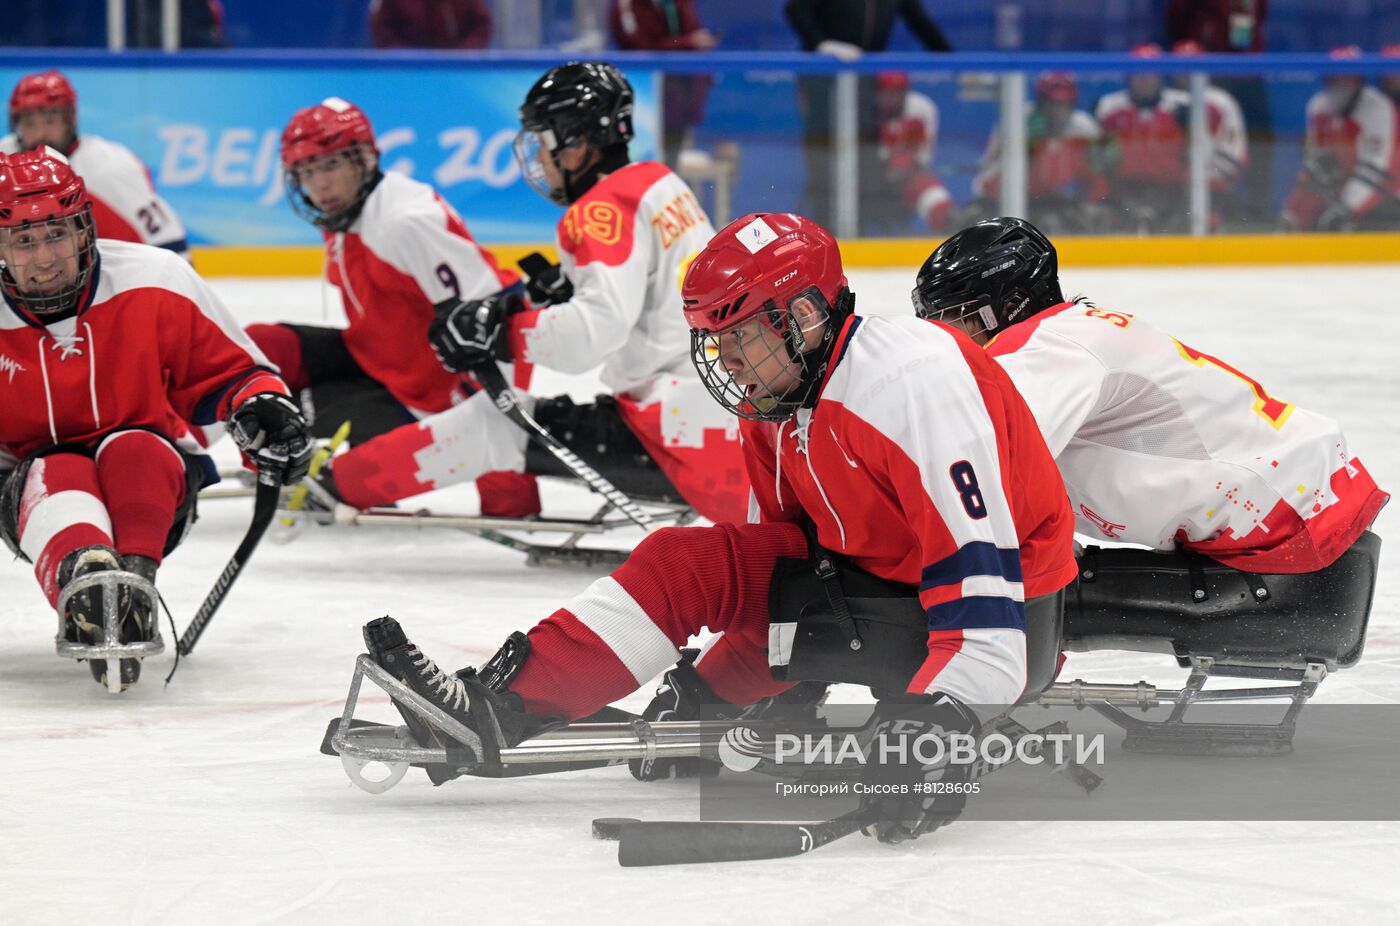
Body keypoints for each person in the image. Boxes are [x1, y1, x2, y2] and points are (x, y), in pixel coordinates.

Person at [355, 211, 1078, 845]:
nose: (723, 360)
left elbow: (992, 616)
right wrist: (717, 694)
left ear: (801, 319)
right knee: (681, 557)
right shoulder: (775, 400)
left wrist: (940, 727)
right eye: (712, 338)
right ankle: (488, 707)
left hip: (1001, 624)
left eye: (738, 335)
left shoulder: (911, 384)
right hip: (886, 595)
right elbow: (780, 587)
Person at [300, 63, 747, 526]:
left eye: (541, 140)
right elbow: (649, 289)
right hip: (723, 421)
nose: (538, 157)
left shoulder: (597, 211)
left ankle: (336, 487)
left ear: (573, 142)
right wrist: (559, 291)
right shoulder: (659, 182)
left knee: (491, 426)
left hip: (676, 438)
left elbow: (592, 335)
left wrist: (501, 333)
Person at [913, 216, 1387, 576]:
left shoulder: (1044, 346)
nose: (949, 336)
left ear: (1008, 306)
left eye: (958, 318)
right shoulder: (1075, 330)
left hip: (1285, 526)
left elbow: (988, 471)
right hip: (1308, 496)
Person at [0, 148, 310, 691]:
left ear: (83, 231)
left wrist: (264, 408)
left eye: (56, 235)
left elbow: (235, 374)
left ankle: (132, 585)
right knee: (58, 470)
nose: (44, 257)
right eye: (23, 241)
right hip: (29, 491)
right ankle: (87, 582)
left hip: (151, 480)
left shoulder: (155, 278)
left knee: (134, 447)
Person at [246, 97, 537, 517]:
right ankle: (184, 452)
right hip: (377, 360)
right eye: (307, 173)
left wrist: (508, 480)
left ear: (363, 160)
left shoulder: (405, 222)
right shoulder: (347, 212)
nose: (320, 186)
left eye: (330, 166)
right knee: (259, 347)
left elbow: (494, 314)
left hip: (431, 392)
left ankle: (357, 466)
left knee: (345, 485)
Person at [783, 0, 953, 229]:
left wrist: (958, 66)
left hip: (865, 82)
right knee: (823, 156)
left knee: (865, 158)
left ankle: (859, 227)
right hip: (821, 78)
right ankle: (823, 230)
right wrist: (822, 44)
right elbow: (795, 8)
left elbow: (921, 23)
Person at [2, 71, 189, 258]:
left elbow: (169, 243)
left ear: (70, 120)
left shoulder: (112, 167)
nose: (41, 134)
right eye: (30, 124)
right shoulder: (4, 163)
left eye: (50, 121)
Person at [1281, 47, 1400, 232]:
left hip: (1386, 195)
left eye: (1347, 77)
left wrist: (1346, 208)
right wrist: (1295, 211)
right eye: (1336, 77)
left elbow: (1378, 172)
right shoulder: (1318, 107)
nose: (1341, 83)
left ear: (1358, 80)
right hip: (1344, 186)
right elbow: (1316, 164)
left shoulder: (1378, 108)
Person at [973, 72, 1109, 234]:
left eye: (1064, 104)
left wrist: (1093, 202)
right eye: (1052, 103)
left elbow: (1100, 171)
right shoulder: (1018, 119)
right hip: (1009, 199)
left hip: (1054, 199)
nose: (1058, 111)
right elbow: (989, 171)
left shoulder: (1083, 125)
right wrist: (1026, 147)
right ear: (1041, 102)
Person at [1094, 44, 1192, 232]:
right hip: (1122, 191)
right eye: (1140, 73)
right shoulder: (1108, 109)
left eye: (1151, 73)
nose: (1145, 80)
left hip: (1171, 192)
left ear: (1160, 76)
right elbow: (1098, 161)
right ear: (1130, 76)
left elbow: (1195, 154)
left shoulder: (1182, 107)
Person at [609, 0, 718, 165]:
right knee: (638, 161)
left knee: (670, 157)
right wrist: (688, 43)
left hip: (680, 98)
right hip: (643, 98)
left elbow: (691, 33)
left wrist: (694, 42)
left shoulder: (679, 4)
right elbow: (639, 47)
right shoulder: (627, 4)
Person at [863, 71, 953, 234]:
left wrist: (902, 167)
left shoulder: (921, 109)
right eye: (885, 93)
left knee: (940, 207)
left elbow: (920, 158)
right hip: (868, 180)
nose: (890, 98)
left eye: (895, 93)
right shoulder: (862, 111)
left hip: (907, 178)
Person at [1171, 40, 1249, 224]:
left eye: (1191, 66)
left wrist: (1202, 178)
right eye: (1180, 66)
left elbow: (1234, 156)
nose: (1185, 73)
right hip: (1171, 187)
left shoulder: (1220, 103)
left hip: (1214, 186)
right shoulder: (1168, 99)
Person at [369, 0, 491, 49]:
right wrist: (401, 55)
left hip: (456, 71)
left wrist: (465, 52)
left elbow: (480, 25)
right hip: (407, 73)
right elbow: (383, 28)